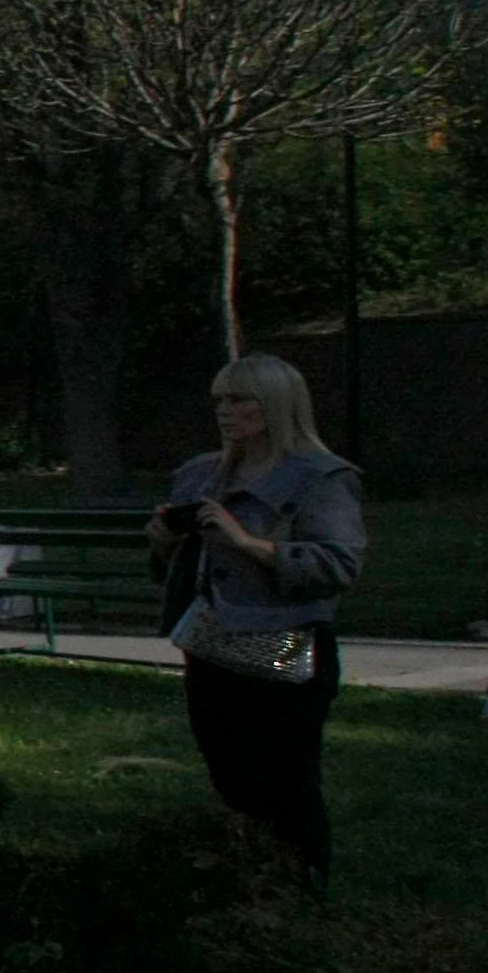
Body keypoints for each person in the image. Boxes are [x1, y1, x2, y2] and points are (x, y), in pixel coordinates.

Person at [150, 352, 364, 879]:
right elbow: (175, 564)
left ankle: (302, 887)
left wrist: (250, 543)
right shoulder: (201, 474)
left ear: (275, 404)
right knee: (229, 778)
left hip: (290, 642)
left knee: (287, 779)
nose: (226, 411)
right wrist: (164, 542)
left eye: (239, 399)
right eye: (219, 400)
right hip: (212, 643)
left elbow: (338, 564)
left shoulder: (319, 478)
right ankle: (247, 886)